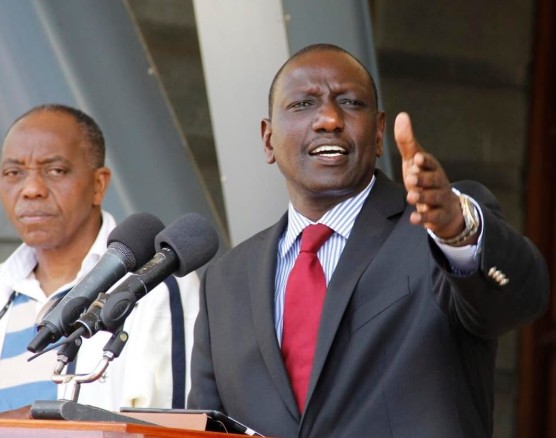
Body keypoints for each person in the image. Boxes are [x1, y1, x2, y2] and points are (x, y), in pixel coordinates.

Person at [187, 44, 550, 437]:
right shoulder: (225, 281)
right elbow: (205, 427)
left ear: (378, 134)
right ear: (267, 139)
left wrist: (458, 231)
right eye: (303, 104)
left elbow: (522, 297)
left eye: (350, 103)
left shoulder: (434, 232)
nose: (328, 119)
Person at [0, 104, 199, 412]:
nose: (31, 189)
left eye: (55, 170)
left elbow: (173, 425)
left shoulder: (154, 282)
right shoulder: (4, 286)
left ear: (98, 185)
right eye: (13, 173)